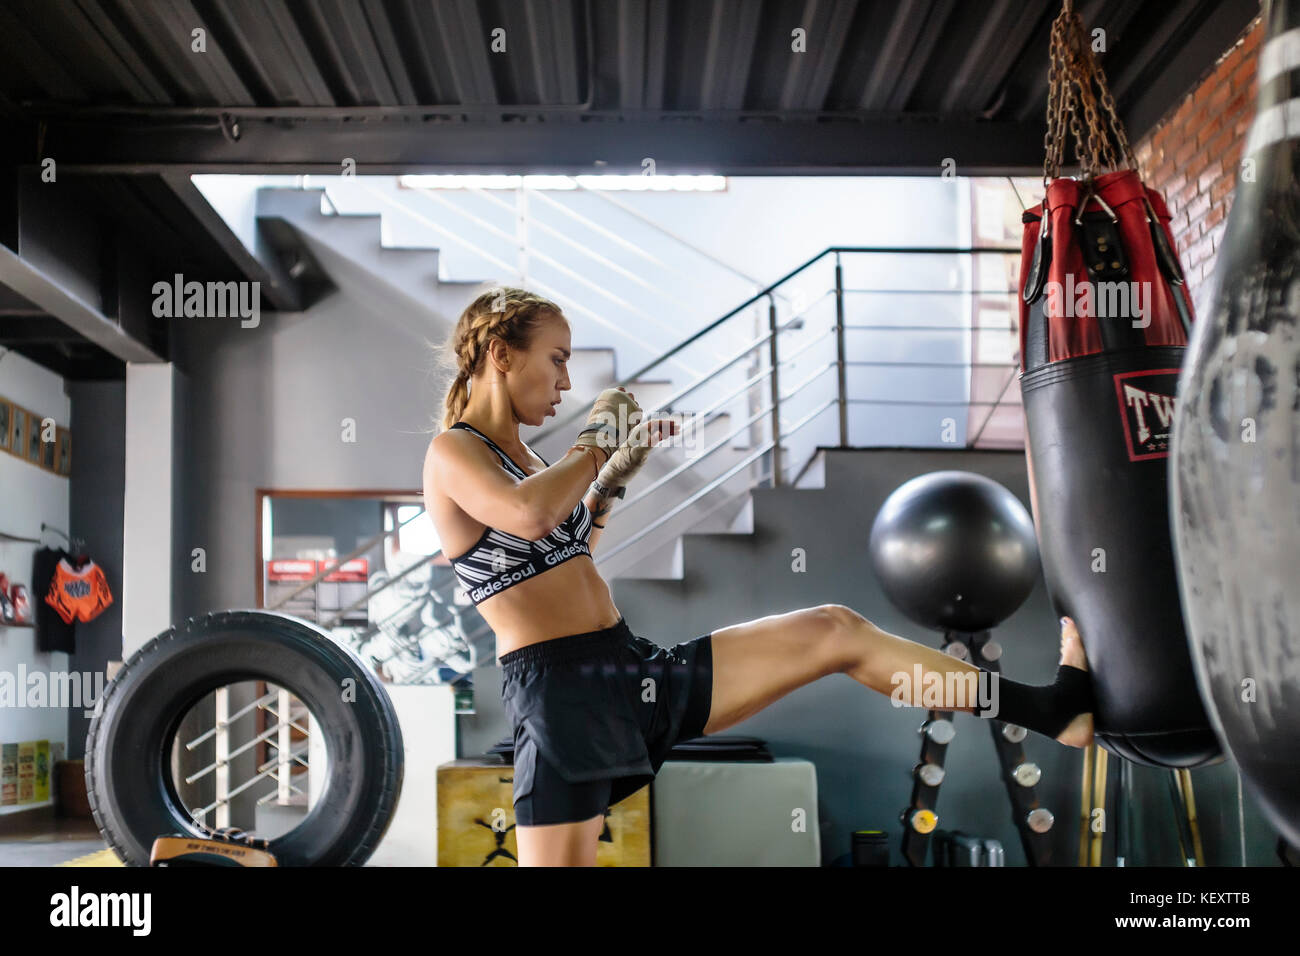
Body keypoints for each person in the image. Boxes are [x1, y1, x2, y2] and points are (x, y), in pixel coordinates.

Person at [423, 287, 1094, 867]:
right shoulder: (454, 451)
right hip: (560, 695)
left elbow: (565, 551)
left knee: (836, 630)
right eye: (558, 359)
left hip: (629, 668)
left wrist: (608, 489)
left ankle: (1049, 710)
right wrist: (596, 443)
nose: (566, 383)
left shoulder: (527, 454)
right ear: (501, 355)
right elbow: (530, 515)